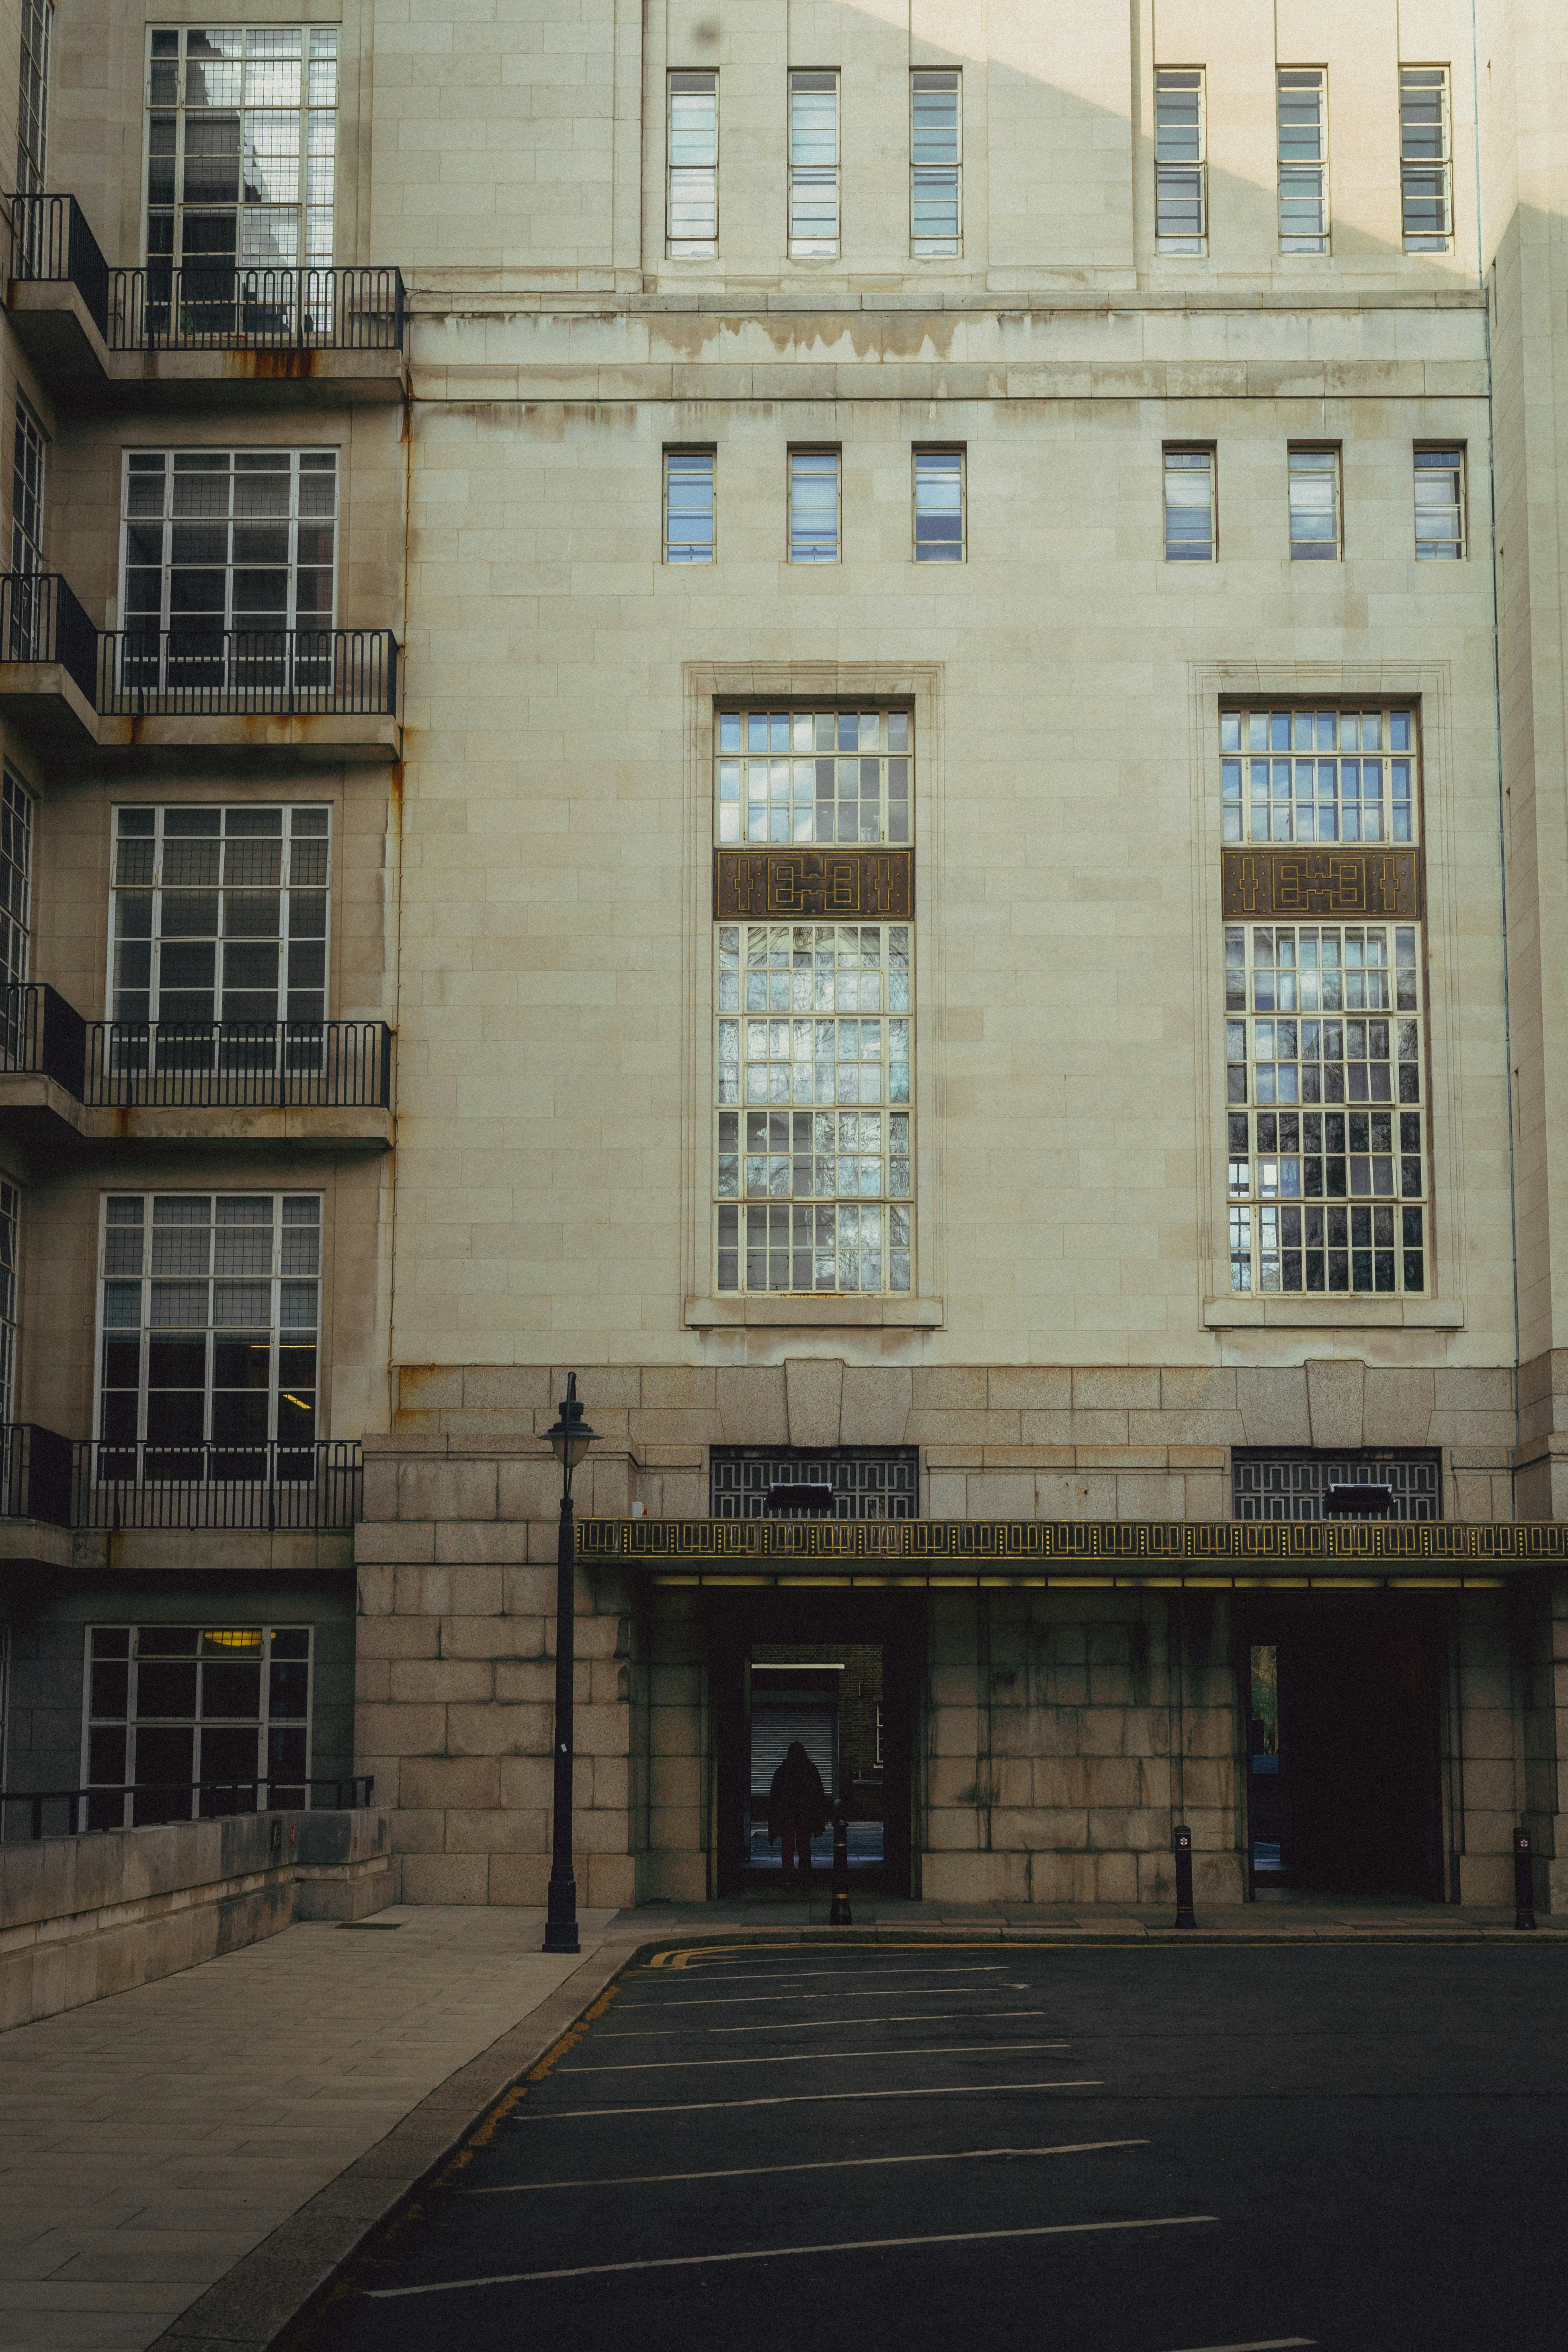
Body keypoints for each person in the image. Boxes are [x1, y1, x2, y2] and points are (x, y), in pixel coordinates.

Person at [767, 1740, 828, 1885]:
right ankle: (805, 1876)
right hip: (804, 1815)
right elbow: (818, 1793)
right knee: (804, 1846)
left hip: (788, 1814)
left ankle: (789, 1876)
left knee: (788, 1846)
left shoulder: (783, 1771)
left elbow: (775, 1795)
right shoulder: (811, 1770)